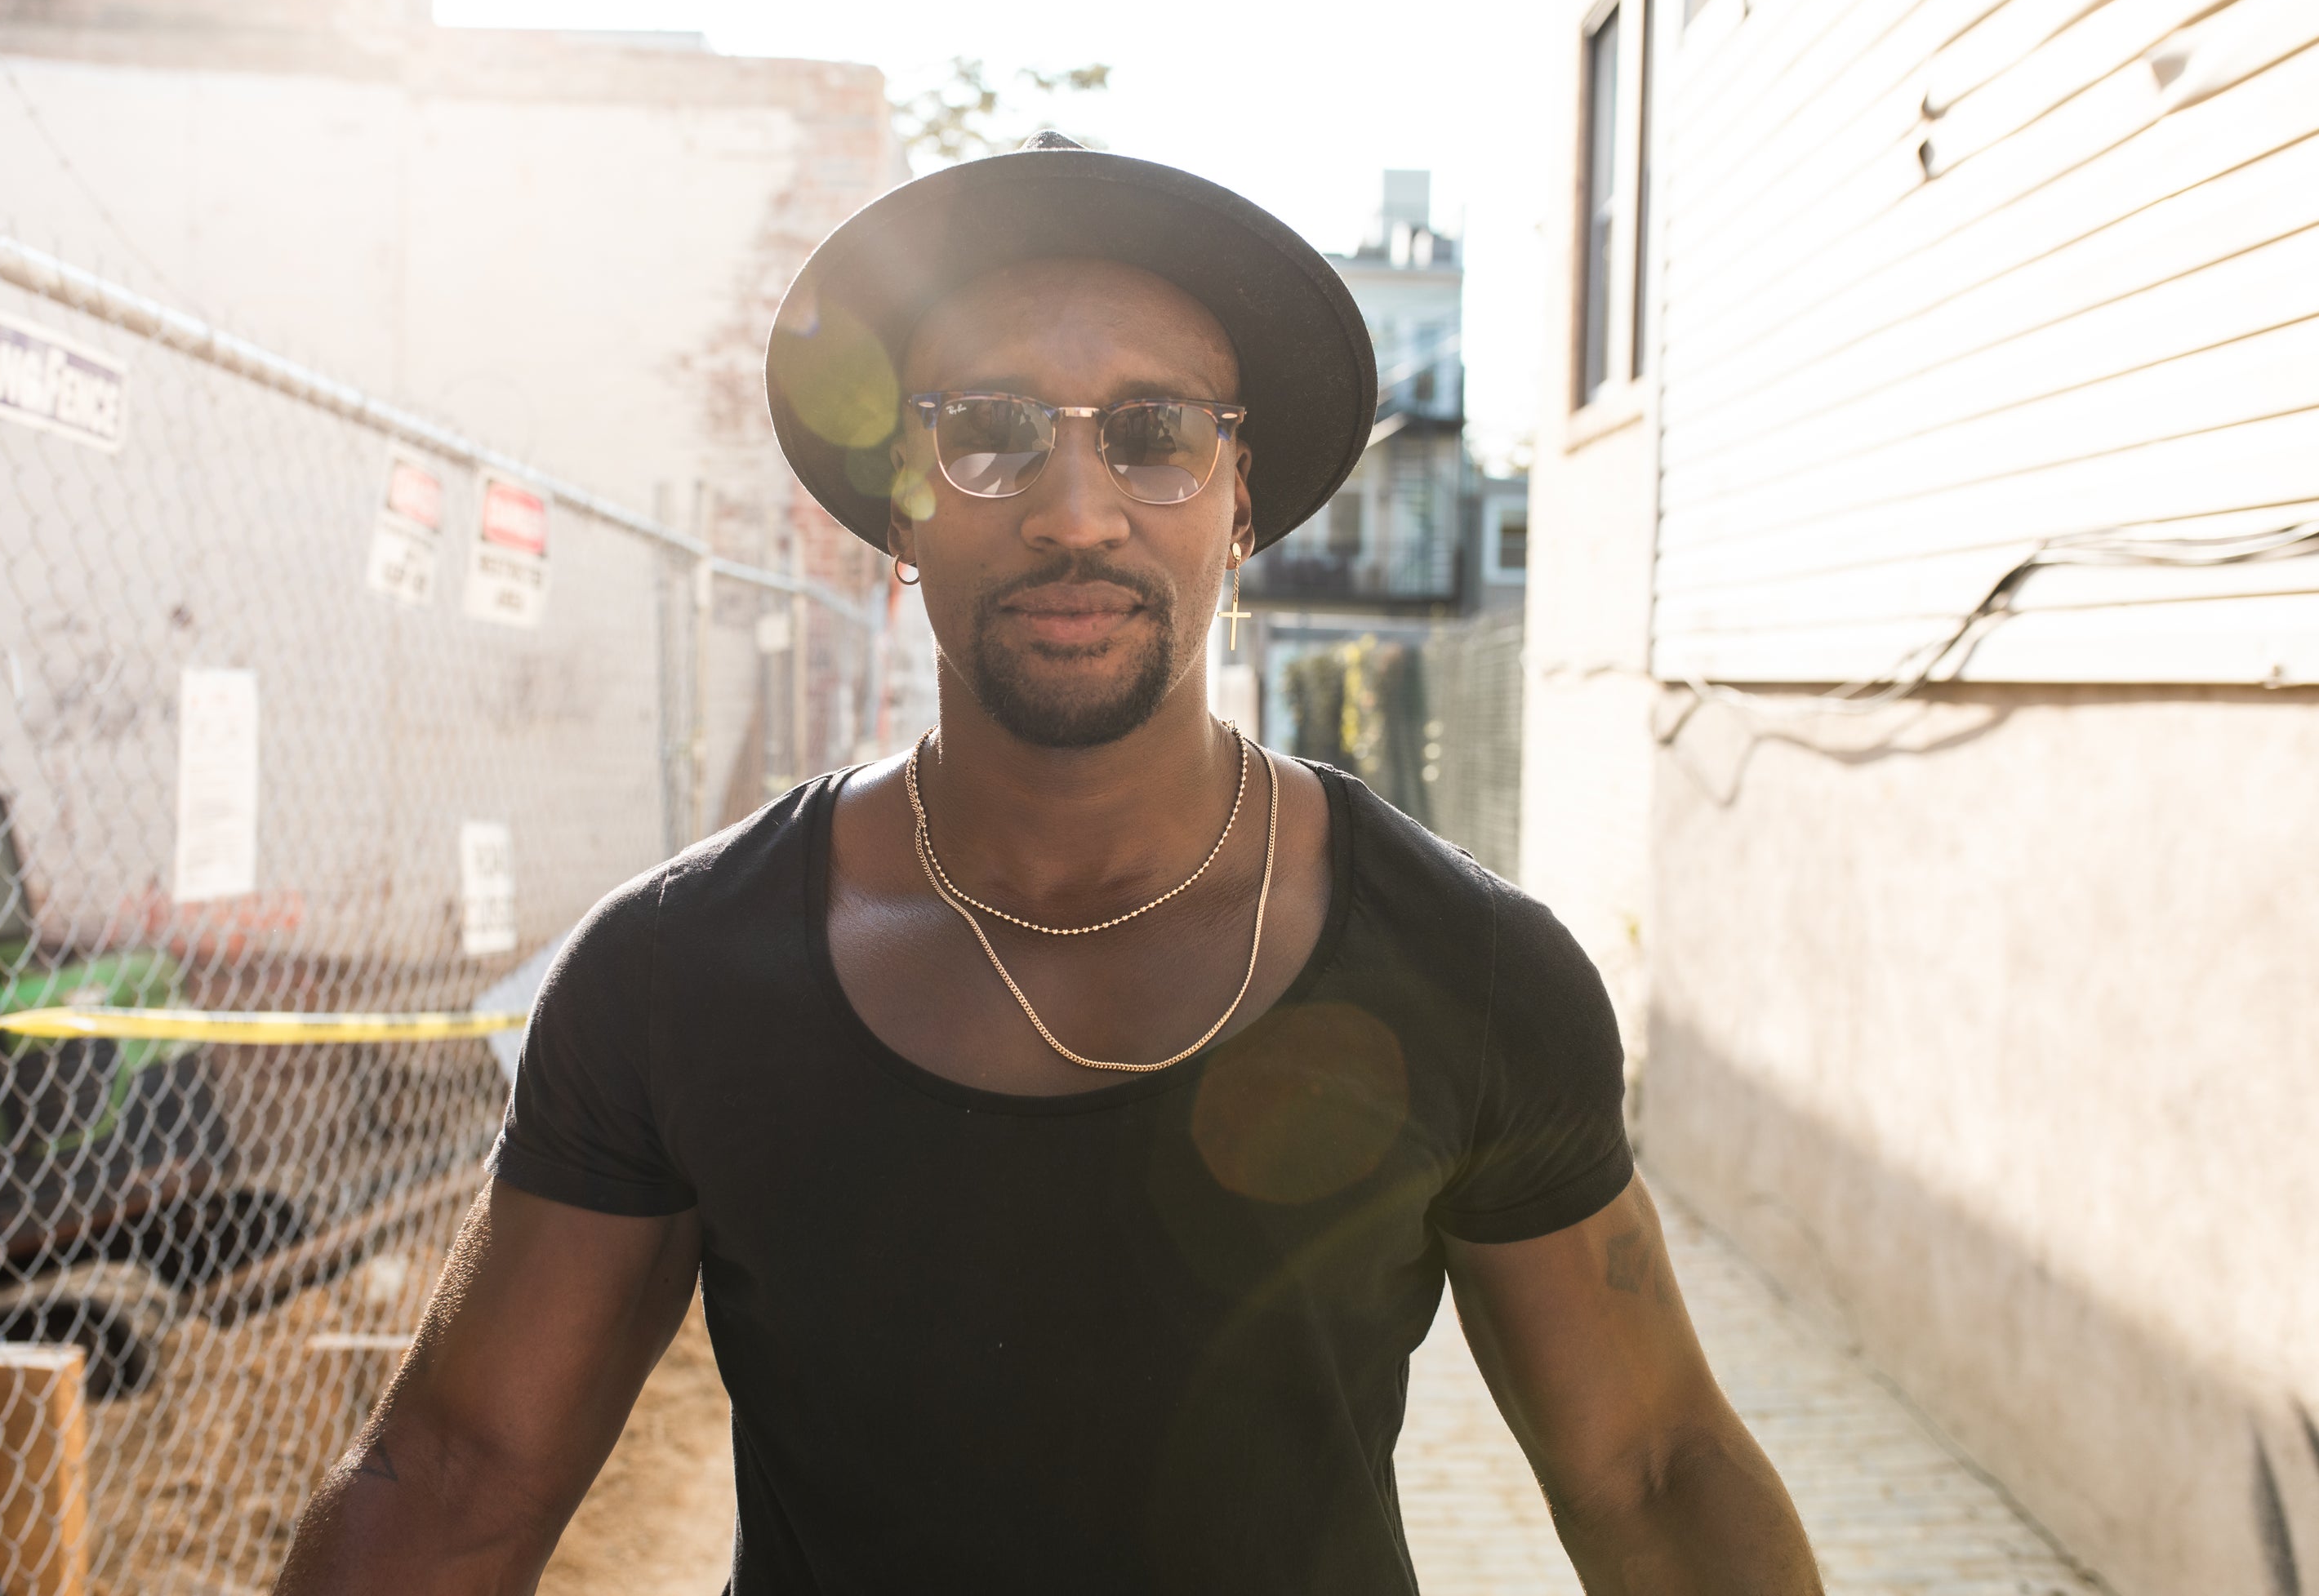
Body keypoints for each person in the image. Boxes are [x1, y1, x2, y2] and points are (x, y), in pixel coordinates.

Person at [275, 136, 1818, 1596]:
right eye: (990, 430)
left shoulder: (1470, 969)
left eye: (1155, 436)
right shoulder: (675, 975)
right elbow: (457, 1479)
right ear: (901, 503)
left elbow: (1653, 1470)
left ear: (1240, 502)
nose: (1075, 514)